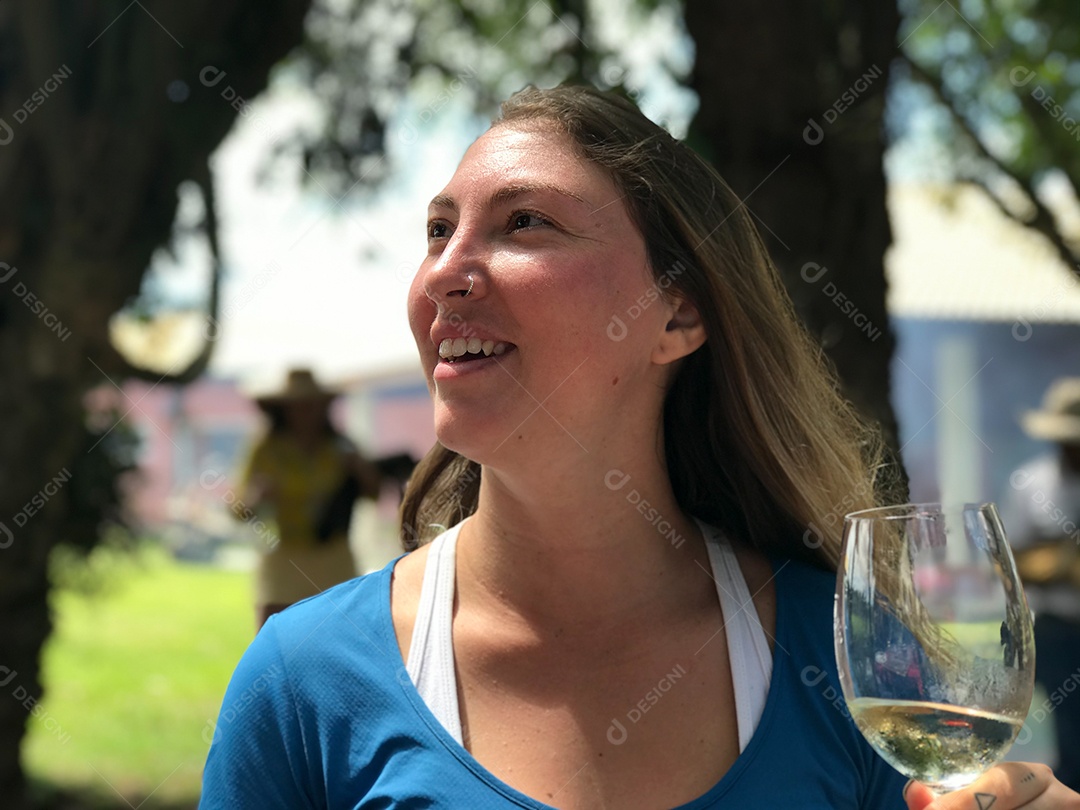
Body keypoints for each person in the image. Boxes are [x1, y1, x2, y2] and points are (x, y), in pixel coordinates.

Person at [200, 87, 1080, 809]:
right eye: (437, 231)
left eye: (525, 224)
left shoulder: (852, 664)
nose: (443, 273)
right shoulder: (303, 683)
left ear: (677, 314)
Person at [236, 368, 384, 629]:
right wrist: (257, 497)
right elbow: (237, 508)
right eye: (298, 406)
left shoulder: (342, 446)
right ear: (285, 409)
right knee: (275, 636)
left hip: (334, 555)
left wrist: (361, 471)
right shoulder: (266, 449)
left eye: (311, 405)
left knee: (338, 633)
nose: (306, 412)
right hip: (283, 554)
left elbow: (374, 494)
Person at [1002, 377, 1080, 792]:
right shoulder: (1032, 484)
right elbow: (1012, 562)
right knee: (1070, 725)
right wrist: (1060, 563)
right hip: (1056, 626)